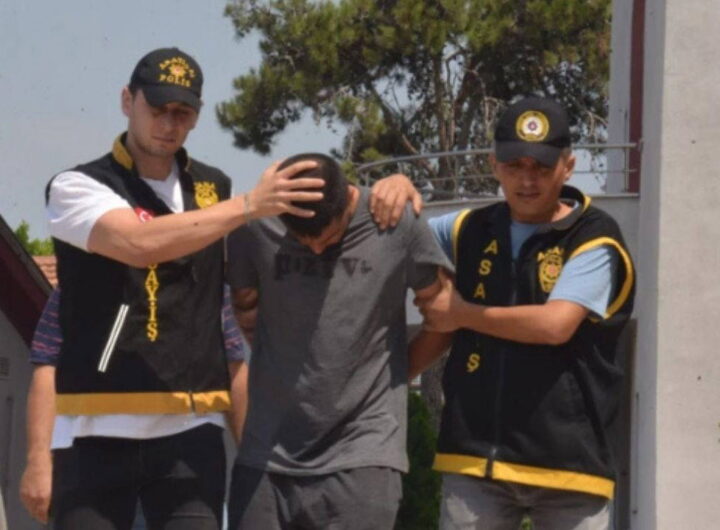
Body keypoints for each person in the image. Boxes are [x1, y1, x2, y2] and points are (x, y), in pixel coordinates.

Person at [19, 46, 324, 530]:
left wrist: (256, 457)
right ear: (127, 101)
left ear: (197, 117)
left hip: (191, 433)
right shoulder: (78, 185)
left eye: (182, 112)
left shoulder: (213, 190)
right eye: (157, 108)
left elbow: (228, 337)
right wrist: (38, 458)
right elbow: (138, 245)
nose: (168, 123)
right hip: (93, 429)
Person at [405, 96, 636, 530]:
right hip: (474, 460)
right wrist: (395, 188)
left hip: (569, 467)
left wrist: (459, 313)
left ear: (568, 167)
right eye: (514, 166)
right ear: (494, 165)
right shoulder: (467, 228)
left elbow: (554, 325)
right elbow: (399, 232)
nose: (527, 180)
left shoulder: (596, 237)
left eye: (542, 167)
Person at [224, 153, 451, 530]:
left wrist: (394, 372)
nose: (316, 249)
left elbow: (444, 317)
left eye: (328, 237)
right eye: (302, 240)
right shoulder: (254, 227)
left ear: (348, 197)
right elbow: (245, 309)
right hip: (267, 455)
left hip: (363, 451)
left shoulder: (393, 221)